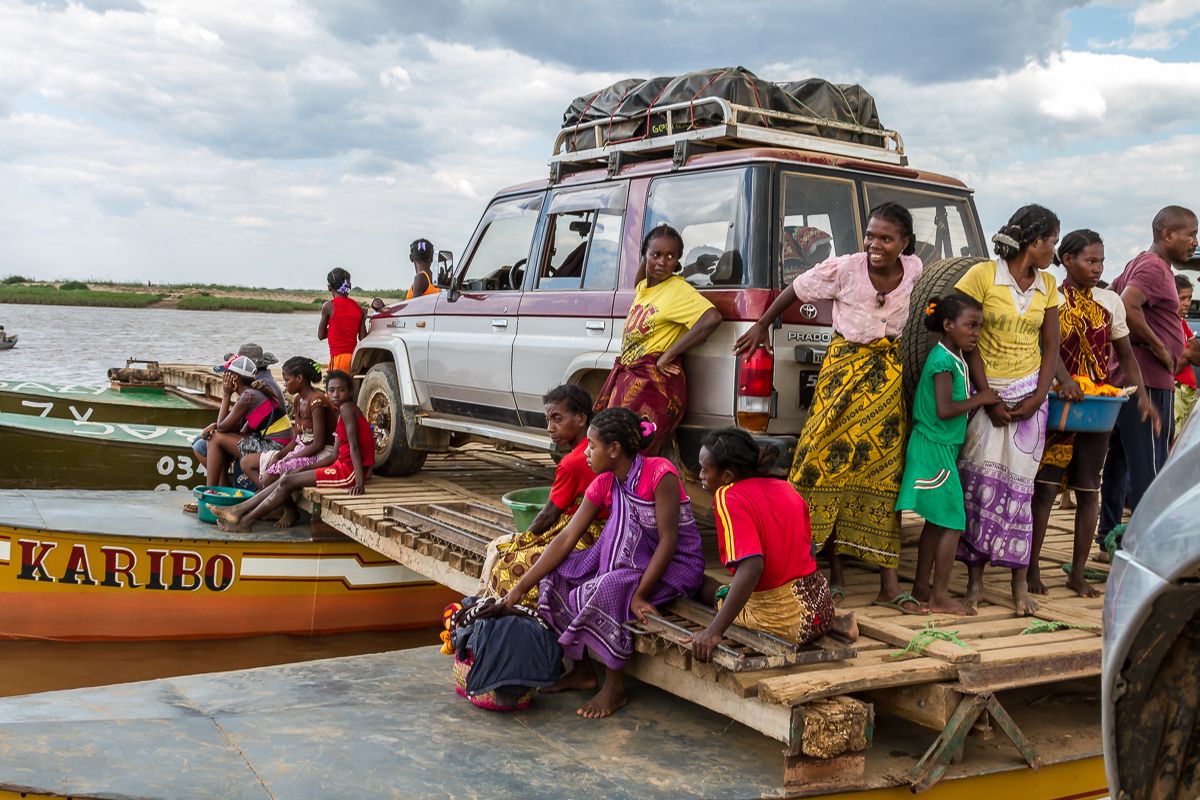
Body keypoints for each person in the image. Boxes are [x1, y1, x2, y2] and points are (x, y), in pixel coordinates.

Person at [734, 202, 924, 614]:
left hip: (885, 378)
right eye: (870, 235)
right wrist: (761, 325)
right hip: (842, 374)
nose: (875, 245)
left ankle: (889, 585)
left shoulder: (915, 270)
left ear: (904, 243)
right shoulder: (843, 268)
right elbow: (795, 290)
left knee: (882, 472)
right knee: (819, 466)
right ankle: (827, 572)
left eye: (886, 238)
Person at [499, 407, 705, 719]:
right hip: (627, 561)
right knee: (556, 575)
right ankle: (582, 670)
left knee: (610, 587)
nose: (586, 454)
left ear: (614, 449)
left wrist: (640, 595)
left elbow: (668, 541)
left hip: (672, 566)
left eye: (592, 446)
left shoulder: (660, 474)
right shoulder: (605, 482)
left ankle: (615, 685)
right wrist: (518, 588)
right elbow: (567, 538)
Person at [1028, 230, 1158, 598]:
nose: (1097, 268)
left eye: (1101, 261)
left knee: (1089, 487)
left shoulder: (1110, 301)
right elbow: (1045, 347)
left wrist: (1141, 396)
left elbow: (1126, 354)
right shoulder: (1049, 294)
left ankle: (1078, 572)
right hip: (1057, 400)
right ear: (1067, 260)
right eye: (1090, 260)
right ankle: (1032, 567)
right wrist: (1064, 381)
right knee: (1046, 487)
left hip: (1097, 404)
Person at [954, 205, 1061, 616]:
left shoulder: (1048, 285)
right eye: (1051, 241)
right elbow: (969, 339)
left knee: (1021, 489)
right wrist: (987, 395)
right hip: (988, 395)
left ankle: (1019, 585)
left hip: (1030, 397)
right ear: (1033, 243)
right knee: (978, 486)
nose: (1052, 249)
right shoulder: (983, 276)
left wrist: (1038, 395)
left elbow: (1050, 346)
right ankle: (975, 582)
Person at [685, 428, 858, 663]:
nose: (701, 476)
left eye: (705, 470)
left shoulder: (727, 496)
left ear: (726, 476)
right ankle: (836, 624)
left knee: (705, 586)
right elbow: (810, 550)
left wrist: (713, 631)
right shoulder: (786, 488)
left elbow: (753, 566)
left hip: (786, 623)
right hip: (821, 606)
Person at [1101, 206, 1199, 541]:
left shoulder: (1137, 263)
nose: (1195, 242)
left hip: (1128, 380)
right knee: (1150, 470)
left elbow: (1111, 300)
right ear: (1167, 234)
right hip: (1148, 383)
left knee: (1117, 464)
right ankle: (1148, 547)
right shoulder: (1156, 268)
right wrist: (1159, 347)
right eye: (1191, 234)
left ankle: (1108, 537)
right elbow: (1126, 305)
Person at [897, 294, 998, 615]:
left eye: (979, 327)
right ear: (947, 325)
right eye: (970, 326)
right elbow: (944, 409)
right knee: (953, 521)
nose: (976, 333)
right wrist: (981, 398)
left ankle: (921, 587)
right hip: (933, 449)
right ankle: (939, 595)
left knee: (936, 523)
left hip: (938, 448)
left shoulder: (954, 357)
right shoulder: (942, 361)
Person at [594, 224, 722, 456]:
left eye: (670, 256)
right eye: (656, 255)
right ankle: (620, 492)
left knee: (629, 449)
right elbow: (640, 280)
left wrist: (670, 354)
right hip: (632, 377)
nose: (662, 262)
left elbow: (712, 318)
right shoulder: (645, 287)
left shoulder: (677, 290)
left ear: (677, 260)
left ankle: (636, 492)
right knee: (612, 443)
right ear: (645, 255)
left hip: (654, 384)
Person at [482, 385, 606, 603]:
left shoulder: (572, 462)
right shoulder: (599, 447)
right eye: (548, 420)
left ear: (580, 418)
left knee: (507, 562)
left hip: (587, 535)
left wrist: (521, 541)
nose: (550, 428)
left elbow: (548, 515)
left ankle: (516, 605)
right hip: (606, 533)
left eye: (557, 419)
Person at [216, 370, 373, 531]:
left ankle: (245, 519)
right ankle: (239, 511)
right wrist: (305, 468)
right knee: (288, 477)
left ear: (350, 391)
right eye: (331, 390)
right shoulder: (342, 411)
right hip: (341, 466)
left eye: (341, 390)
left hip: (348, 473)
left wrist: (359, 482)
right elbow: (335, 454)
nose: (335, 395)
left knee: (287, 480)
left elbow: (354, 447)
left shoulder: (346, 409)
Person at [198, 355, 291, 488]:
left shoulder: (248, 397)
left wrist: (226, 394)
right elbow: (232, 427)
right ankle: (221, 488)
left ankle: (209, 492)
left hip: (275, 448)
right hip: (275, 443)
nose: (224, 378)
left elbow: (222, 428)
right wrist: (215, 425)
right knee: (221, 437)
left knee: (215, 438)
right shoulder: (252, 393)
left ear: (234, 377)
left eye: (226, 375)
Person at [244, 356, 337, 488]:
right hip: (303, 449)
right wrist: (280, 455)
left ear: (299, 379)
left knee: (269, 477)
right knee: (261, 464)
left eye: (287, 380)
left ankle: (268, 502)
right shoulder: (298, 400)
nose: (285, 384)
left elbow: (318, 443)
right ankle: (273, 503)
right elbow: (297, 439)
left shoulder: (317, 401)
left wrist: (290, 458)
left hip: (323, 452)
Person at [318, 267, 366, 373]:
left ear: (329, 287)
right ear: (350, 286)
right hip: (356, 358)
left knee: (335, 388)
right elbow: (363, 338)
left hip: (338, 358)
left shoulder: (328, 306)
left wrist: (336, 329)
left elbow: (321, 335)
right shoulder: (358, 308)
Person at [1172, 274, 1200, 440]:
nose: (1187, 303)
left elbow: (1197, 357)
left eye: (1189, 298)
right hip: (1177, 392)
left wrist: (1188, 353)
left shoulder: (1182, 322)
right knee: (1174, 439)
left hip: (1188, 393)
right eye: (1182, 298)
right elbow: (1175, 363)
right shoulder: (1169, 324)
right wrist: (1189, 352)